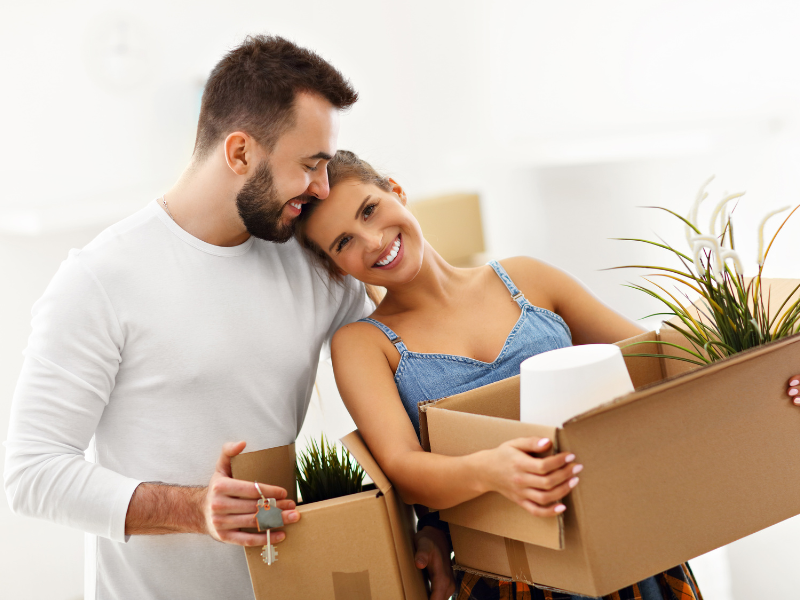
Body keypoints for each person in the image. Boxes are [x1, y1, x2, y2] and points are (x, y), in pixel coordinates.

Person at [2, 36, 453, 600]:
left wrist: (432, 526)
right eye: (310, 165)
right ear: (239, 153)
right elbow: (32, 475)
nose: (322, 186)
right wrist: (194, 509)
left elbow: (407, 387)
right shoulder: (100, 279)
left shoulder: (309, 263)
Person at [293, 150, 705, 600]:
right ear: (336, 265)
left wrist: (778, 376)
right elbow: (405, 470)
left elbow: (660, 362)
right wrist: (491, 471)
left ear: (396, 191)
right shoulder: (362, 345)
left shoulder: (528, 278)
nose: (372, 241)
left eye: (369, 210)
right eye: (343, 242)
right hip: (509, 579)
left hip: (629, 549)